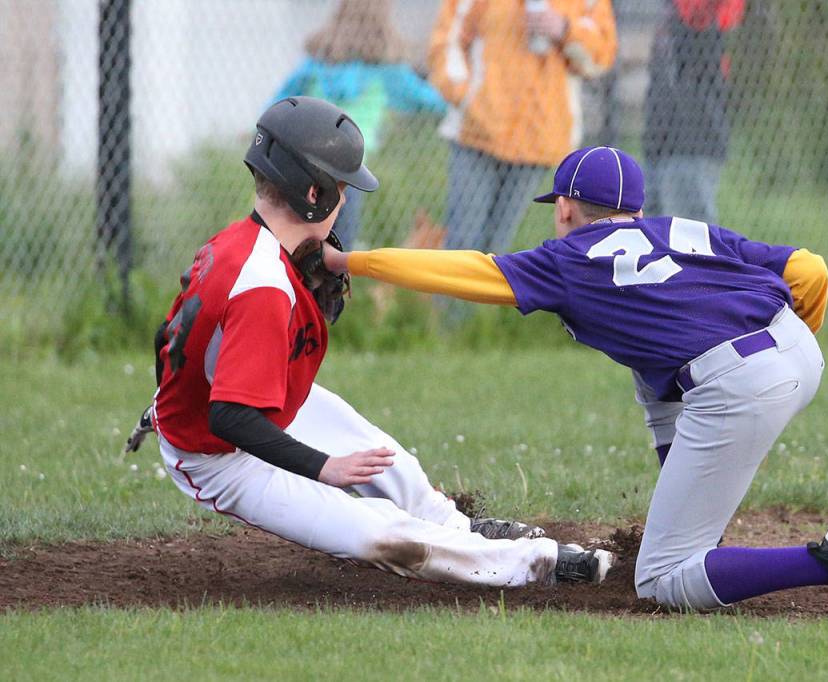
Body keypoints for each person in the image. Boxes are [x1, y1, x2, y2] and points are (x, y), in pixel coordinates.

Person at [328, 146, 828, 615]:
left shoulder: (568, 258)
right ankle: (692, 524)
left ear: (566, 208)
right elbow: (808, 268)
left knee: (662, 581)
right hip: (793, 346)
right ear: (637, 211)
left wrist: (350, 259)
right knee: (652, 377)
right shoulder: (682, 232)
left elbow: (472, 271)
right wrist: (789, 356)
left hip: (738, 381)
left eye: (559, 210)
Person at [123, 97, 614, 589]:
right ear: (312, 193)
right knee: (376, 536)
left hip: (260, 402)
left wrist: (170, 396)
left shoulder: (239, 242)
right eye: (341, 188)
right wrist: (323, 467)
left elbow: (175, 335)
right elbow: (230, 416)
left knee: (390, 461)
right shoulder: (264, 286)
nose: (345, 200)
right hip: (219, 456)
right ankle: (537, 564)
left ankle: (458, 528)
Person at [427, 0, 617, 255]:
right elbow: (447, 38)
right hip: (477, 131)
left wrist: (564, 29)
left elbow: (600, 56)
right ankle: (450, 295)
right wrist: (466, 97)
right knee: (463, 240)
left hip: (540, 136)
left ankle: (488, 295)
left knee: (498, 247)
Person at [271, 0, 447, 247]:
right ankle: (331, 280)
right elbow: (426, 100)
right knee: (340, 241)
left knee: (297, 236)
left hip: (304, 159)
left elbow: (280, 102)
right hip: (348, 165)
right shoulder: (385, 69)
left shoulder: (317, 62)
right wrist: (458, 95)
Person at [644, 0, 745, 224]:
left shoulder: (704, 16)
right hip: (658, 137)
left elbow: (701, 14)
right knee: (651, 233)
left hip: (694, 138)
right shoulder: (671, 15)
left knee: (688, 237)